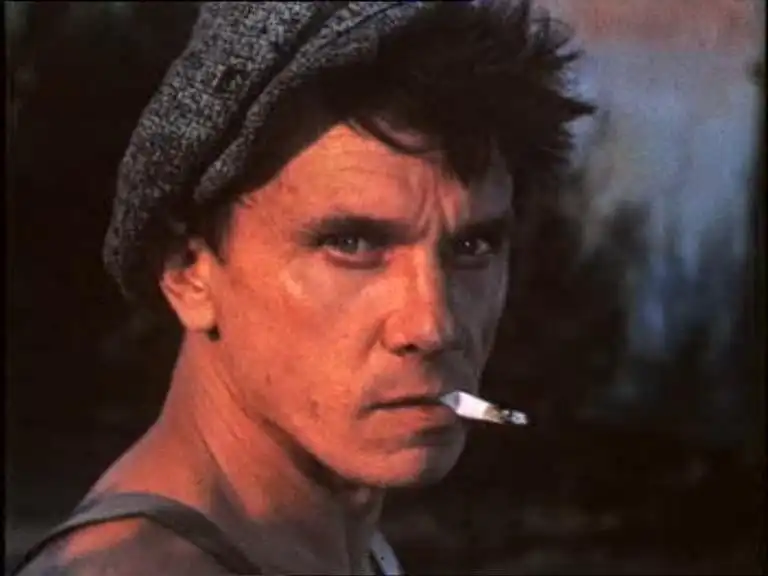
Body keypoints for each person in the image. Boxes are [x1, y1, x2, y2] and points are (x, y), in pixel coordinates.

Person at [14, 1, 593, 574]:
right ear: (189, 271)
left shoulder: (332, 549)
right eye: (351, 244)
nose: (433, 326)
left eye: (473, 247)